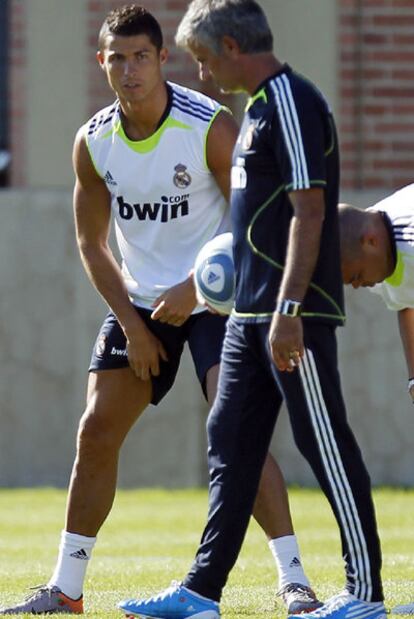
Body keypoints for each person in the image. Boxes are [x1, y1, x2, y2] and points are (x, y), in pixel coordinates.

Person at [0, 4, 321, 616]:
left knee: (235, 432)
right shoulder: (93, 142)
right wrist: (131, 323)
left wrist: (196, 290)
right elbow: (91, 244)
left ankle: (295, 581)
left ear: (162, 59)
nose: (129, 70)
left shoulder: (210, 127)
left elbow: (254, 228)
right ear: (102, 63)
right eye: (116, 58)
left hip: (217, 301)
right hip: (141, 306)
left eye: (140, 56)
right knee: (95, 431)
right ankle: (66, 589)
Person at [118, 2, 386, 619]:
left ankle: (366, 594)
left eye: (206, 59)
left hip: (293, 315)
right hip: (247, 315)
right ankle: (201, 592)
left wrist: (289, 306)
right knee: (229, 437)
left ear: (233, 46)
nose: (204, 75)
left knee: (324, 444)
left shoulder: (293, 102)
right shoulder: (256, 110)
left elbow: (310, 214)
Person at [339, 184, 414, 616]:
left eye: (352, 275)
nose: (355, 285)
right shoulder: (379, 254)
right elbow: (407, 304)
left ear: (371, 241)